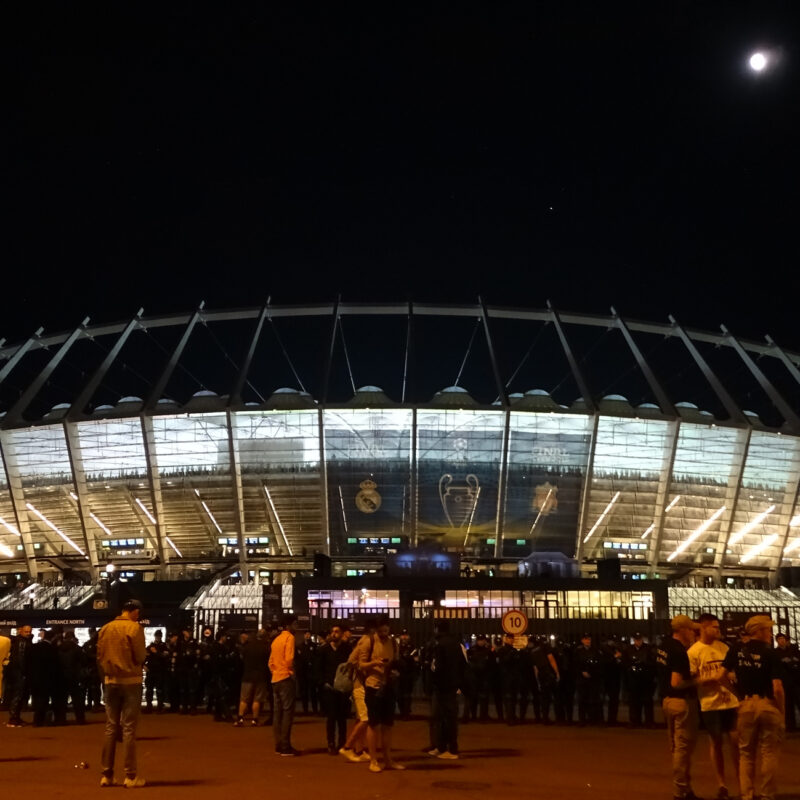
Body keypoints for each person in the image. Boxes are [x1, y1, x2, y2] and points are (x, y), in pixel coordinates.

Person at [722, 615, 785, 800]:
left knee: (746, 754)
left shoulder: (736, 650)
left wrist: (738, 694)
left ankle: (747, 794)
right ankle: (767, 794)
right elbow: (777, 687)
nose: (770, 634)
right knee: (769, 752)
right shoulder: (770, 653)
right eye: (768, 629)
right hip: (767, 703)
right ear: (759, 631)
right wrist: (781, 711)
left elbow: (720, 676)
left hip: (747, 704)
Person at [97, 598, 147, 788]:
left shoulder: (106, 628)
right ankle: (130, 775)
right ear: (134, 611)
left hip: (111, 681)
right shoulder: (134, 628)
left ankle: (106, 774)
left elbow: (99, 655)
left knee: (111, 727)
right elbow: (140, 656)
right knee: (128, 729)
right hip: (131, 680)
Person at [688, 614, 739, 800]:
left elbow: (733, 670)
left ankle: (742, 781)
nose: (718, 630)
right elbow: (692, 678)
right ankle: (721, 784)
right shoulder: (694, 652)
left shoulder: (724, 648)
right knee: (716, 742)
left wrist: (731, 676)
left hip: (730, 701)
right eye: (715, 627)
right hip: (710, 703)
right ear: (704, 628)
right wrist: (709, 679)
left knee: (736, 741)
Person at [657, 615, 700, 800]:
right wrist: (697, 680)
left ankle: (685, 789)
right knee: (682, 749)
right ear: (682, 630)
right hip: (681, 702)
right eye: (691, 630)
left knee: (676, 747)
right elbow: (676, 682)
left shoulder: (664, 646)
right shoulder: (678, 651)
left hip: (667, 701)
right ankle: (680, 791)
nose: (693, 633)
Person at [356, 613, 405, 773]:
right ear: (376, 630)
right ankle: (373, 760)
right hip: (373, 686)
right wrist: (374, 663)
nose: (384, 634)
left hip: (388, 686)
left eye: (386, 631)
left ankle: (388, 759)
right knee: (373, 724)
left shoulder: (393, 643)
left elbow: (396, 662)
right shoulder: (368, 642)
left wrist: (395, 671)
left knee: (388, 725)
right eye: (381, 631)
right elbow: (361, 664)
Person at [427, 621, 465, 759]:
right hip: (452, 685)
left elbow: (438, 667)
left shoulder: (439, 644)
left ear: (437, 629)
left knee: (444, 718)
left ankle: (449, 749)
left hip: (443, 685)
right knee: (447, 717)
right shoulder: (456, 644)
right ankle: (444, 747)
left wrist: (434, 679)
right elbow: (462, 664)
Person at [316, 622, 353, 753]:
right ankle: (330, 743)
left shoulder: (347, 649)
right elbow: (318, 668)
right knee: (331, 717)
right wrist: (323, 683)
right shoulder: (324, 650)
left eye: (337, 632)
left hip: (343, 689)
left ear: (342, 634)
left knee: (342, 718)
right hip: (329, 688)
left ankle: (342, 742)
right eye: (332, 631)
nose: (334, 634)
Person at [269, 613, 299, 756]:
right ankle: (286, 746)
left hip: (275, 678)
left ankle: (278, 744)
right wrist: (291, 672)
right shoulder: (290, 638)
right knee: (287, 712)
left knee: (277, 713)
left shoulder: (276, 640)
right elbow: (289, 659)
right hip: (285, 678)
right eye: (295, 624)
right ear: (289, 625)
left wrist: (276, 671)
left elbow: (270, 662)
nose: (297, 627)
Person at [236, 629, 270, 727]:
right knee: (257, 699)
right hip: (260, 676)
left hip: (247, 675)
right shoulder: (266, 648)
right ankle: (255, 719)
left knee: (244, 699)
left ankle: (240, 718)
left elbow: (242, 659)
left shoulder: (248, 646)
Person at [623, 632, 655, 727]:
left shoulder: (648, 649)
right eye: (636, 639)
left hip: (646, 679)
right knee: (634, 701)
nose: (638, 641)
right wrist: (631, 668)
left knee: (647, 701)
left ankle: (649, 721)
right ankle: (635, 721)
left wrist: (644, 666)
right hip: (633, 679)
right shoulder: (628, 649)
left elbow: (653, 662)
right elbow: (625, 663)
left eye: (639, 639)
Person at [5, 624, 33, 727]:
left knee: (17, 695)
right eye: (26, 631)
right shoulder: (23, 642)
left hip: (17, 672)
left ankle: (15, 717)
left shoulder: (18, 641)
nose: (28, 633)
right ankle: (14, 718)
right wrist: (24, 672)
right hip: (20, 673)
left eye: (29, 631)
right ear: (20, 631)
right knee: (18, 695)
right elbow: (21, 658)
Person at [574, 632, 603, 725]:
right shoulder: (578, 651)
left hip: (593, 678)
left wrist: (593, 673)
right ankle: (582, 720)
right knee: (582, 700)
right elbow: (575, 663)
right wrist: (582, 671)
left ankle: (593, 719)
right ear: (582, 640)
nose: (588, 641)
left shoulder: (595, 650)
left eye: (589, 639)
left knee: (594, 699)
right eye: (586, 639)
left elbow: (599, 663)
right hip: (582, 679)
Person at [774, 633, 800, 731]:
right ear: (777, 641)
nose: (782, 640)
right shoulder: (775, 653)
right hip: (785, 682)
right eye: (779, 639)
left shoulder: (793, 651)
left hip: (796, 680)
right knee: (788, 704)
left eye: (783, 638)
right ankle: (790, 726)